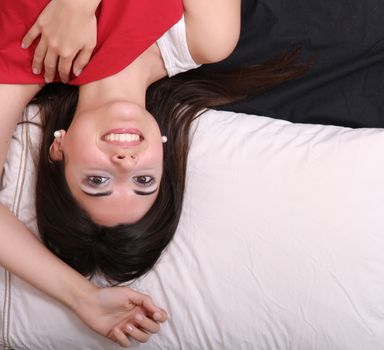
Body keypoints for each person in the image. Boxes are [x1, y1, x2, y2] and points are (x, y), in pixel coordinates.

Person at [0, 0, 307, 347]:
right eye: (143, 181)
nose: (125, 163)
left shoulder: (23, 55)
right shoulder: (203, 38)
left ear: (59, 149)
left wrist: (81, 298)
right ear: (161, 150)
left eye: (97, 181)